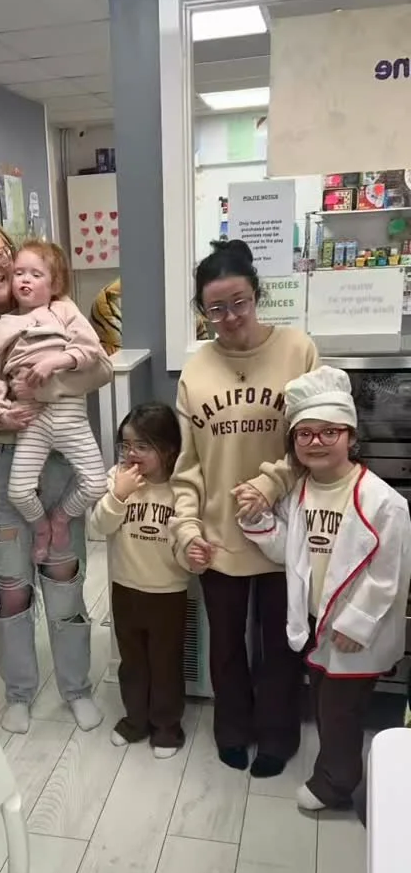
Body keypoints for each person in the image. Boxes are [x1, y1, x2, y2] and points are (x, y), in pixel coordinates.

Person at [0, 217, 113, 736]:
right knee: (11, 590)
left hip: (57, 463)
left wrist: (47, 380)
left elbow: (99, 368)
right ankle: (19, 691)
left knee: (63, 580)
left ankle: (76, 688)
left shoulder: (57, 311)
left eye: (0, 254)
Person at [171, 239, 318, 777]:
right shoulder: (196, 371)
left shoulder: (297, 350)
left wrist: (271, 481)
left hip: (285, 529)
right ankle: (232, 729)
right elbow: (187, 467)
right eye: (216, 309)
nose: (230, 317)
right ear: (202, 311)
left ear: (257, 294)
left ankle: (277, 734)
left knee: (281, 642)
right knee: (227, 644)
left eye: (239, 302)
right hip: (219, 535)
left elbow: (315, 438)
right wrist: (186, 529)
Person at [238, 366, 411, 811]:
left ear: (351, 437)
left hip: (356, 633)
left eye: (329, 432)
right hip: (318, 624)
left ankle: (335, 785)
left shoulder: (383, 502)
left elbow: (389, 575)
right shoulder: (301, 492)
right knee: (325, 701)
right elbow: (290, 551)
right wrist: (258, 521)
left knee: (338, 711)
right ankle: (338, 771)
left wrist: (357, 622)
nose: (316, 441)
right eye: (305, 433)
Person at [0, 240, 106, 563]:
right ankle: (41, 528)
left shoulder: (63, 310)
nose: (25, 280)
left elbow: (91, 350)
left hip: (69, 414)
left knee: (96, 484)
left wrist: (56, 362)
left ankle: (61, 518)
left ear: (55, 284)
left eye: (36, 274)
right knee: (18, 491)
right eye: (19, 273)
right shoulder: (6, 324)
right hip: (30, 419)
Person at [90, 404, 189, 757]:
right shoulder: (118, 479)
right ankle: (135, 720)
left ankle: (166, 727)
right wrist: (118, 495)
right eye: (126, 445)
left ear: (169, 450)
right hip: (125, 587)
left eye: (143, 446)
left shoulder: (182, 489)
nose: (132, 453)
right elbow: (98, 527)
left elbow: (187, 544)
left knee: (165, 663)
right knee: (131, 661)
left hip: (168, 592)